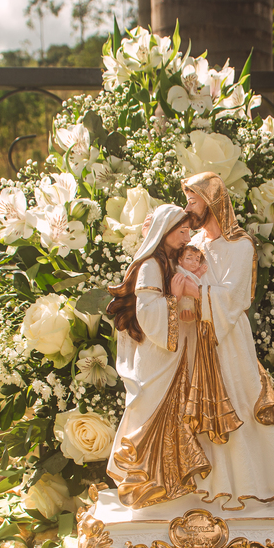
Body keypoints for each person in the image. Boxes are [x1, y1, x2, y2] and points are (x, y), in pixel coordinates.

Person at [173, 171, 274, 510]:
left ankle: (249, 482)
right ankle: (206, 483)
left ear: (211, 201)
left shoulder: (239, 245)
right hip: (198, 336)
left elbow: (236, 296)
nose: (188, 207)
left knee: (237, 402)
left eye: (192, 200)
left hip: (228, 339)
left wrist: (197, 291)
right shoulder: (195, 245)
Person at [105, 205, 210, 509]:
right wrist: (173, 299)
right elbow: (147, 313)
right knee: (147, 413)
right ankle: (139, 480)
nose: (186, 236)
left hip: (169, 353)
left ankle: (165, 483)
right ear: (165, 231)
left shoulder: (168, 262)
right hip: (155, 353)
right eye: (181, 231)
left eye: (188, 231)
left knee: (171, 416)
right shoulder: (151, 265)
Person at [173, 244, 207, 322]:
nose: (194, 262)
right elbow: (190, 281)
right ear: (180, 261)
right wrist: (200, 272)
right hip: (184, 305)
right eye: (189, 258)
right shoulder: (180, 272)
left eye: (197, 260)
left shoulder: (189, 272)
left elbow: (193, 279)